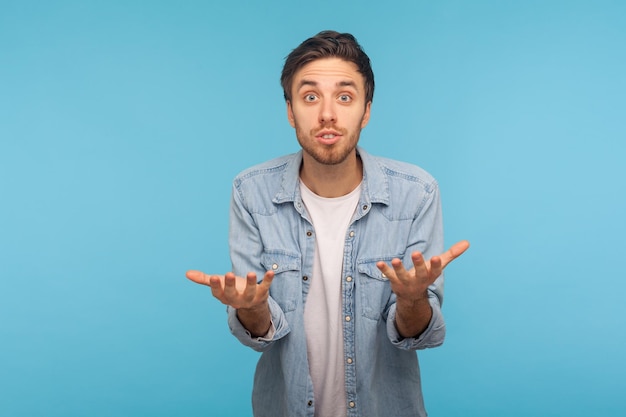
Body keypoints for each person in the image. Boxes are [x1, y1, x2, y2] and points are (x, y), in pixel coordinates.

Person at [186, 30, 469, 417]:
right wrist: (251, 309)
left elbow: (416, 334)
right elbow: (260, 333)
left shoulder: (416, 193)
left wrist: (413, 297)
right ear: (290, 111)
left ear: (366, 110)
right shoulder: (251, 191)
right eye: (310, 96)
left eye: (345, 96)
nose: (327, 114)